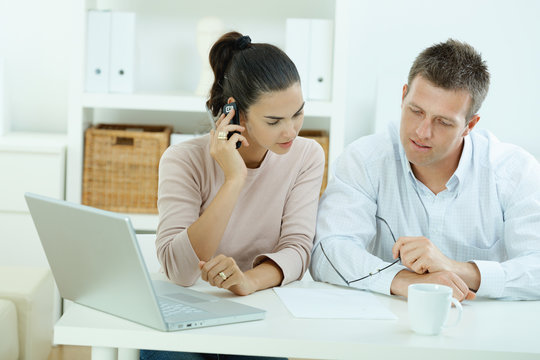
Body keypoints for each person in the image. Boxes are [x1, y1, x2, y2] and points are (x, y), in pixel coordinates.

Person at [140, 32, 324, 360]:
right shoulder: (182, 160)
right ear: (235, 113)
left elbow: (297, 250)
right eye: (274, 120)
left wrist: (247, 282)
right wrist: (234, 178)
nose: (291, 131)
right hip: (186, 305)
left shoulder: (306, 156)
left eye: (297, 113)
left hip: (256, 302)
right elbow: (180, 271)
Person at [310, 39, 540, 302]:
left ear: (469, 125)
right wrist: (403, 281)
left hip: (481, 332)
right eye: (416, 111)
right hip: (385, 332)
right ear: (403, 96)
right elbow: (328, 252)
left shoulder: (514, 171)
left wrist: (459, 270)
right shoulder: (364, 160)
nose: (422, 132)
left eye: (443, 122)